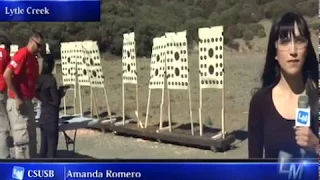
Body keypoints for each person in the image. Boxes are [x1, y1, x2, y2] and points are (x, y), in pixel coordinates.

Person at [247, 12, 318, 159]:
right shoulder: (260, 102)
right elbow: (253, 166)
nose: (293, 51)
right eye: (285, 41)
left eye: (299, 41)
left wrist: (316, 146)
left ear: (307, 49)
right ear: (275, 51)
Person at [3, 32, 44, 159]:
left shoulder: (34, 58)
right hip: (19, 101)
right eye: (38, 46)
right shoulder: (22, 54)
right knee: (22, 140)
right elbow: (7, 74)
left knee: (31, 138)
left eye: (41, 47)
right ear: (32, 41)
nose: (40, 49)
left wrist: (38, 96)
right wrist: (17, 97)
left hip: (29, 100)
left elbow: (32, 81)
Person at [36, 54, 61, 158]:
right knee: (51, 152)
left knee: (43, 150)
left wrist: (44, 99)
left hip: (43, 116)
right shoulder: (51, 80)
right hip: (51, 117)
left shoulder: (40, 79)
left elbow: (37, 93)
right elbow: (56, 102)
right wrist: (61, 93)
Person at [0, 35, 12, 158]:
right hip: (1, 91)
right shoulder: (3, 53)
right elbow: (11, 69)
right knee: (3, 127)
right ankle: (4, 156)